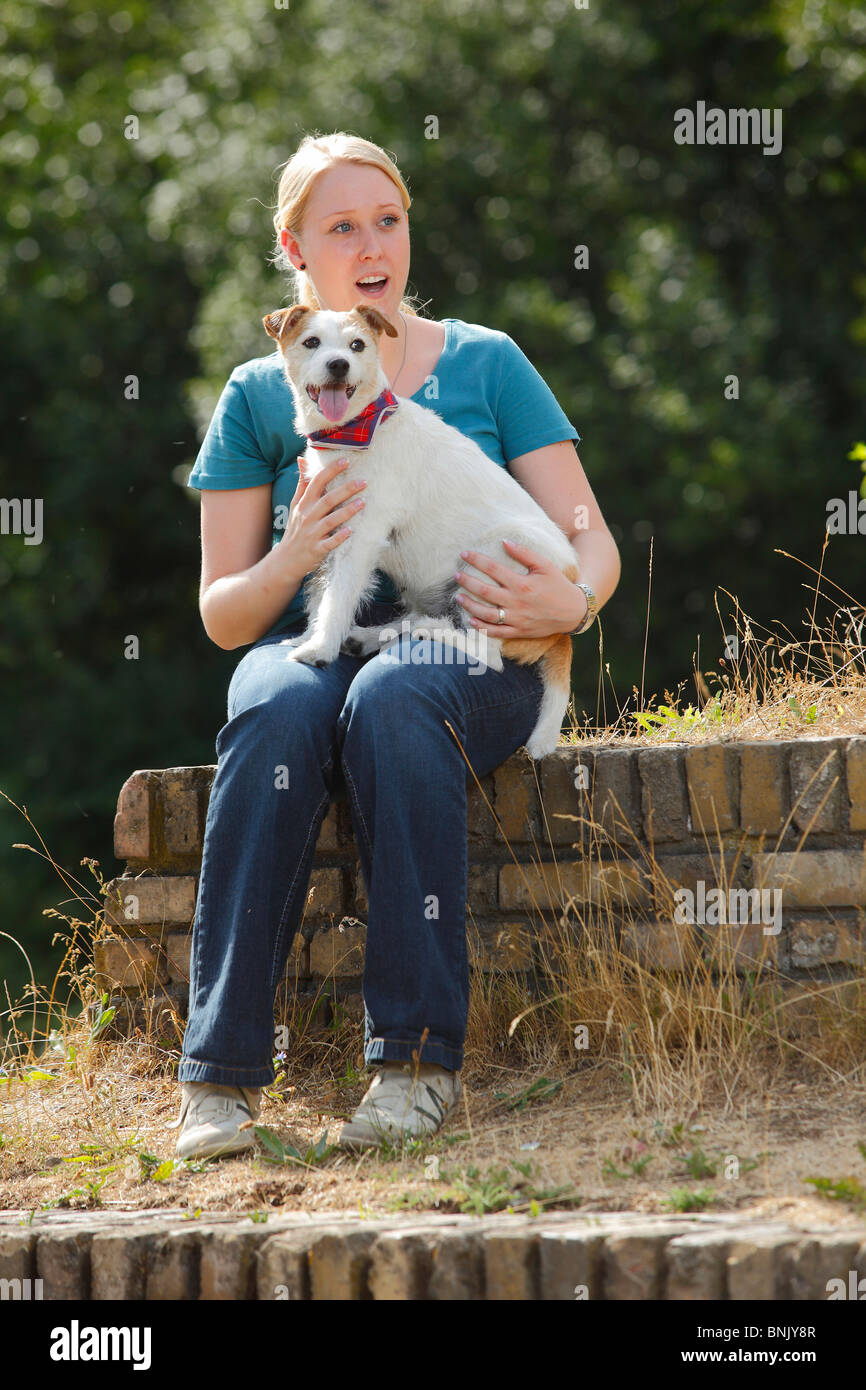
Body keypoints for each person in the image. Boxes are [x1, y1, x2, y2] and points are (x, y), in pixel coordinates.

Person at [172, 132, 621, 1160]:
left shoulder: (487, 361)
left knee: (392, 697)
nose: (373, 242)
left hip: (477, 650)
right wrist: (294, 555)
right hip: (317, 638)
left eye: (389, 219)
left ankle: (413, 1063)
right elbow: (225, 615)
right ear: (294, 246)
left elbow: (590, 538)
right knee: (277, 703)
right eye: (342, 225)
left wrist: (570, 602)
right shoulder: (258, 394)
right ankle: (220, 1079)